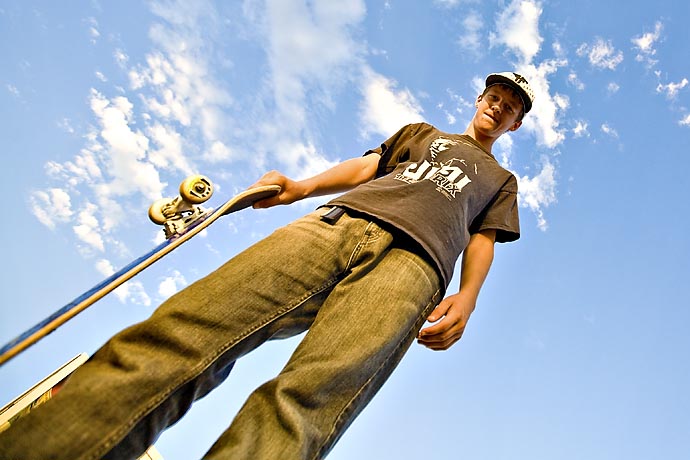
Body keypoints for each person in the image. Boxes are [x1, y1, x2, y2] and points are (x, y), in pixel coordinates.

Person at [0, 71, 534, 459]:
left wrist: (468, 296)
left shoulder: (500, 181)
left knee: (304, 403)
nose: (499, 106)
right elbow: (367, 165)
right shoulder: (420, 133)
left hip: (413, 267)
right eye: (495, 96)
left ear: (513, 124)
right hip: (337, 223)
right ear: (480, 97)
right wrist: (302, 186)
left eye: (511, 107)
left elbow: (483, 237)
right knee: (185, 331)